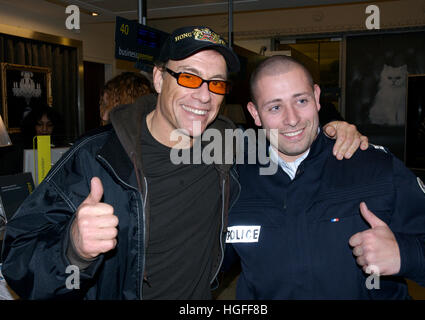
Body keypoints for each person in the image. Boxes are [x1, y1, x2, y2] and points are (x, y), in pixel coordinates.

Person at [1, 26, 366, 300]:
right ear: (159, 78)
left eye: (217, 84)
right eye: (189, 77)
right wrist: (74, 250)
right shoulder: (97, 158)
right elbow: (17, 262)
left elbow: (290, 135)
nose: (204, 96)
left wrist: (331, 131)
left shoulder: (231, 145)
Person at [224, 55, 425, 299]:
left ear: (317, 97)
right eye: (275, 107)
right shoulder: (235, 181)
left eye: (301, 100)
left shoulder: (374, 167)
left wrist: (406, 255)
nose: (292, 119)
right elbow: (208, 267)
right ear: (255, 113)